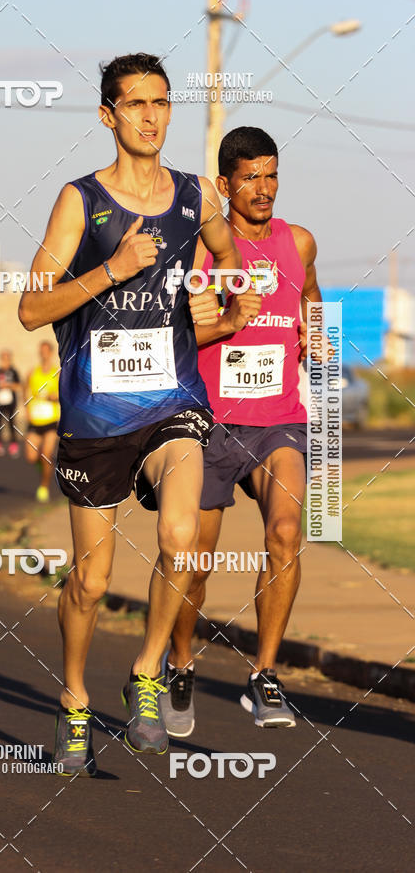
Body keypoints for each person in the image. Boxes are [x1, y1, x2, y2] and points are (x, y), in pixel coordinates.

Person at [19, 53, 240, 775]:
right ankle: (75, 698)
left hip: (174, 402)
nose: (151, 116)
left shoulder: (199, 195)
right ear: (109, 115)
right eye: (136, 104)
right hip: (94, 415)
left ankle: (147, 674)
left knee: (182, 539)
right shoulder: (81, 200)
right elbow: (31, 308)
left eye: (162, 103)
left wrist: (228, 303)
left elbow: (233, 273)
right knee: (89, 580)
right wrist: (112, 268)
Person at [161, 126, 322, 734]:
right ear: (225, 185)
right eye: (250, 177)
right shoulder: (204, 252)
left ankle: (265, 674)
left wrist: (314, 329)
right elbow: (177, 338)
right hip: (207, 422)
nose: (264, 189)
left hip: (278, 419)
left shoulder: (298, 242)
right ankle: (179, 665)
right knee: (192, 561)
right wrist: (229, 321)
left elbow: (309, 293)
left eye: (272, 175)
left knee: (285, 530)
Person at [24, 341, 59, 501]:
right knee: (31, 457)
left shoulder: (56, 373)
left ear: (51, 353)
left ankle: (44, 486)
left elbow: (64, 394)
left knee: (46, 454)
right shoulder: (33, 372)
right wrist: (27, 409)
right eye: (41, 351)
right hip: (35, 420)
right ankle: (43, 466)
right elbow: (25, 391)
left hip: (51, 421)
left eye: (46, 351)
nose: (43, 354)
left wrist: (55, 397)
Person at [0, 349, 21, 457]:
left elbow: (18, 386)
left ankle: (13, 445)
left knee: (12, 423)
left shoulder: (14, 371)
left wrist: (8, 385)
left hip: (11, 401)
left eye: (6, 359)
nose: (4, 361)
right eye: (3, 359)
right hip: (0, 400)